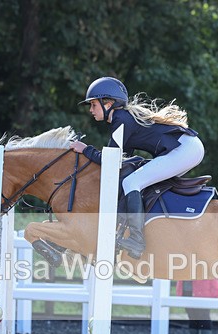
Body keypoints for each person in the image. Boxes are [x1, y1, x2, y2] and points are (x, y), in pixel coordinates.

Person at [70, 76, 205, 258]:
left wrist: (85, 150)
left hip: (184, 149)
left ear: (108, 104)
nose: (91, 110)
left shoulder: (121, 119)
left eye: (93, 105)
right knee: (139, 180)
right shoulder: (122, 118)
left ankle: (136, 239)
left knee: (131, 182)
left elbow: (111, 160)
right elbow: (123, 159)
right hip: (187, 148)